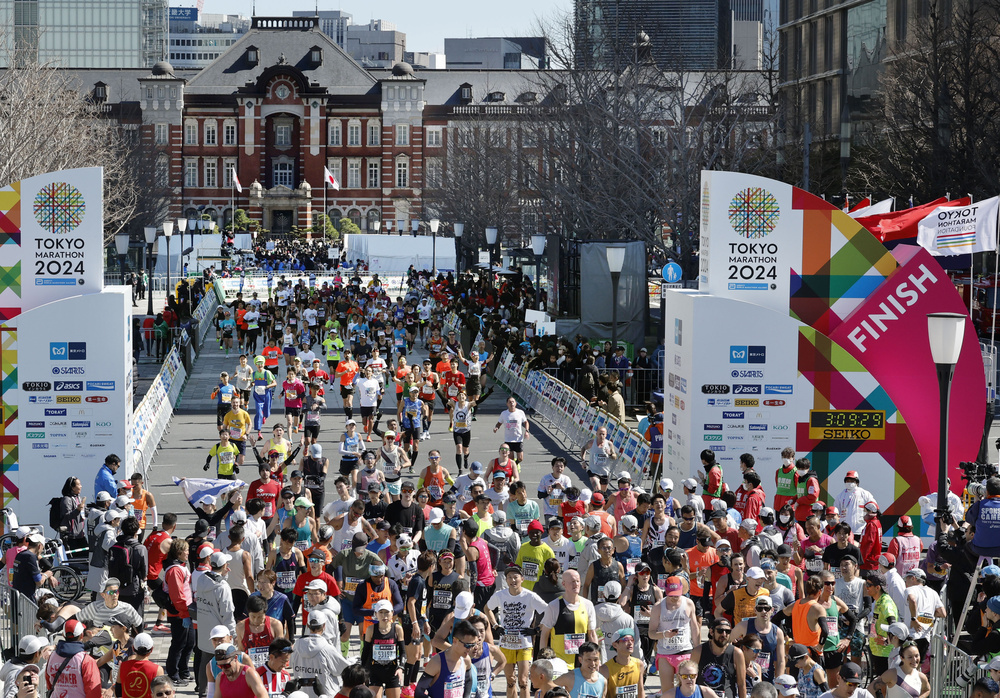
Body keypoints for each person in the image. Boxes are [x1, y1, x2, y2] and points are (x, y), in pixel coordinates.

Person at [485, 566, 548, 698]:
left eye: (516, 577)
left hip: (524, 643)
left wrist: (537, 629)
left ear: (522, 579)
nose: (513, 580)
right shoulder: (500, 595)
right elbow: (487, 608)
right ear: (506, 580)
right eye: (509, 577)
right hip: (506, 643)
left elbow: (548, 611)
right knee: (510, 680)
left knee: (523, 681)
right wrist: (496, 626)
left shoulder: (530, 596)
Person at [539, 569, 599, 669]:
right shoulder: (554, 606)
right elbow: (544, 635)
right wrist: (544, 660)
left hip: (582, 663)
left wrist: (596, 658)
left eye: (578, 581)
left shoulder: (588, 605)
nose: (576, 584)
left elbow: (592, 634)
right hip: (559, 663)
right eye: (572, 582)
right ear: (564, 584)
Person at [648, 576, 700, 688]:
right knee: (667, 691)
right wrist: (664, 634)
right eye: (671, 595)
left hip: (685, 651)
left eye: (677, 595)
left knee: (687, 689)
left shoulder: (689, 603)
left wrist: (698, 650)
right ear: (666, 591)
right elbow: (651, 633)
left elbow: (695, 629)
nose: (674, 598)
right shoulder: (658, 607)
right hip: (665, 654)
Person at [413, 619, 476, 698]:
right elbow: (419, 692)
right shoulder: (437, 662)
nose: (470, 649)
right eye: (467, 645)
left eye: (473, 645)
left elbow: (468, 681)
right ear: (455, 641)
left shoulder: (466, 660)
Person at [690, 617, 747, 698]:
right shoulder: (698, 651)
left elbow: (741, 684)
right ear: (711, 632)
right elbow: (690, 678)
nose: (724, 634)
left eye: (727, 631)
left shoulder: (737, 653)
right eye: (720, 631)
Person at [360, 599, 405, 698]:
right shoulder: (371, 629)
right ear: (376, 614)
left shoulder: (397, 629)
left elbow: (403, 651)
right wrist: (363, 672)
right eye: (381, 612)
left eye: (387, 612)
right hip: (375, 671)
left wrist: (401, 668)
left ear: (392, 613)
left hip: (392, 671)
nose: (384, 616)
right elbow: (366, 652)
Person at [45, 620, 101, 698]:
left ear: (63, 635)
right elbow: (93, 691)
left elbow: (49, 684)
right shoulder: (86, 660)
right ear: (81, 635)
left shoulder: (52, 657)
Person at [866, 572, 898, 677]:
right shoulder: (879, 600)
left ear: (877, 587)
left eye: (869, 585)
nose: (866, 587)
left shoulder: (885, 603)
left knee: (885, 684)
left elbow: (893, 623)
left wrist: (887, 641)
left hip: (884, 652)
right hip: (878, 651)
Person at [600, 629, 644, 698]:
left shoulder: (639, 664)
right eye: (625, 640)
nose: (630, 643)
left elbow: (641, 690)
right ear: (615, 645)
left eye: (632, 639)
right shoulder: (605, 669)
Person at [118, 633, 163, 698]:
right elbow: (160, 694)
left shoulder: (123, 666)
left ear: (133, 648)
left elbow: (118, 691)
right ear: (152, 649)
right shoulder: (158, 669)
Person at [833, 472, 876, 537]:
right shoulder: (840, 496)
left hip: (860, 530)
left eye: (852, 481)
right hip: (845, 531)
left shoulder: (865, 494)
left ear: (857, 482)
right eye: (848, 481)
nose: (849, 483)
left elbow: (874, 508)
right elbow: (835, 512)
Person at [495, 396, 530, 464]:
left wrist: (527, 431)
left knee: (520, 458)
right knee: (511, 459)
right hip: (508, 440)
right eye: (510, 402)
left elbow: (526, 422)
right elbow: (499, 423)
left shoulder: (520, 412)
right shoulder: (504, 413)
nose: (512, 404)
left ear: (516, 403)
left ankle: (516, 465)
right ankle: (513, 469)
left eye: (513, 402)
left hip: (518, 439)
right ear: (507, 404)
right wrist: (496, 427)